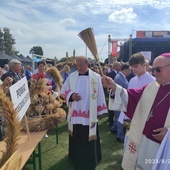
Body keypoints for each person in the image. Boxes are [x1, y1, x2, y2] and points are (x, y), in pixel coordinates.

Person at [102, 53, 170, 170]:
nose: (154, 73)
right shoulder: (152, 86)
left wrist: (169, 134)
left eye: (158, 70)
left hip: (164, 147)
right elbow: (132, 97)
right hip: (144, 140)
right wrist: (114, 87)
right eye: (154, 69)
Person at [61, 56, 107, 170]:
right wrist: (71, 95)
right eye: (77, 65)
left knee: (89, 136)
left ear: (87, 64)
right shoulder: (72, 76)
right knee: (77, 136)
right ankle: (75, 157)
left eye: (81, 65)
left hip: (89, 114)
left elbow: (100, 93)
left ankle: (91, 158)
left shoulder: (95, 77)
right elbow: (63, 90)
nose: (79, 67)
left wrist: (100, 110)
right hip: (76, 115)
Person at [110, 63, 131, 143]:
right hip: (119, 101)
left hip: (121, 100)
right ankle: (120, 136)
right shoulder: (119, 78)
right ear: (125, 70)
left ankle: (114, 129)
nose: (130, 72)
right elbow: (118, 91)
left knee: (118, 117)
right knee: (120, 118)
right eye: (129, 71)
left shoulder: (122, 77)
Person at [107, 61, 121, 128]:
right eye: (119, 65)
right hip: (112, 93)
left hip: (118, 93)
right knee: (111, 109)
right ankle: (111, 122)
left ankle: (116, 122)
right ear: (115, 66)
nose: (120, 67)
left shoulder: (120, 74)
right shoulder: (110, 74)